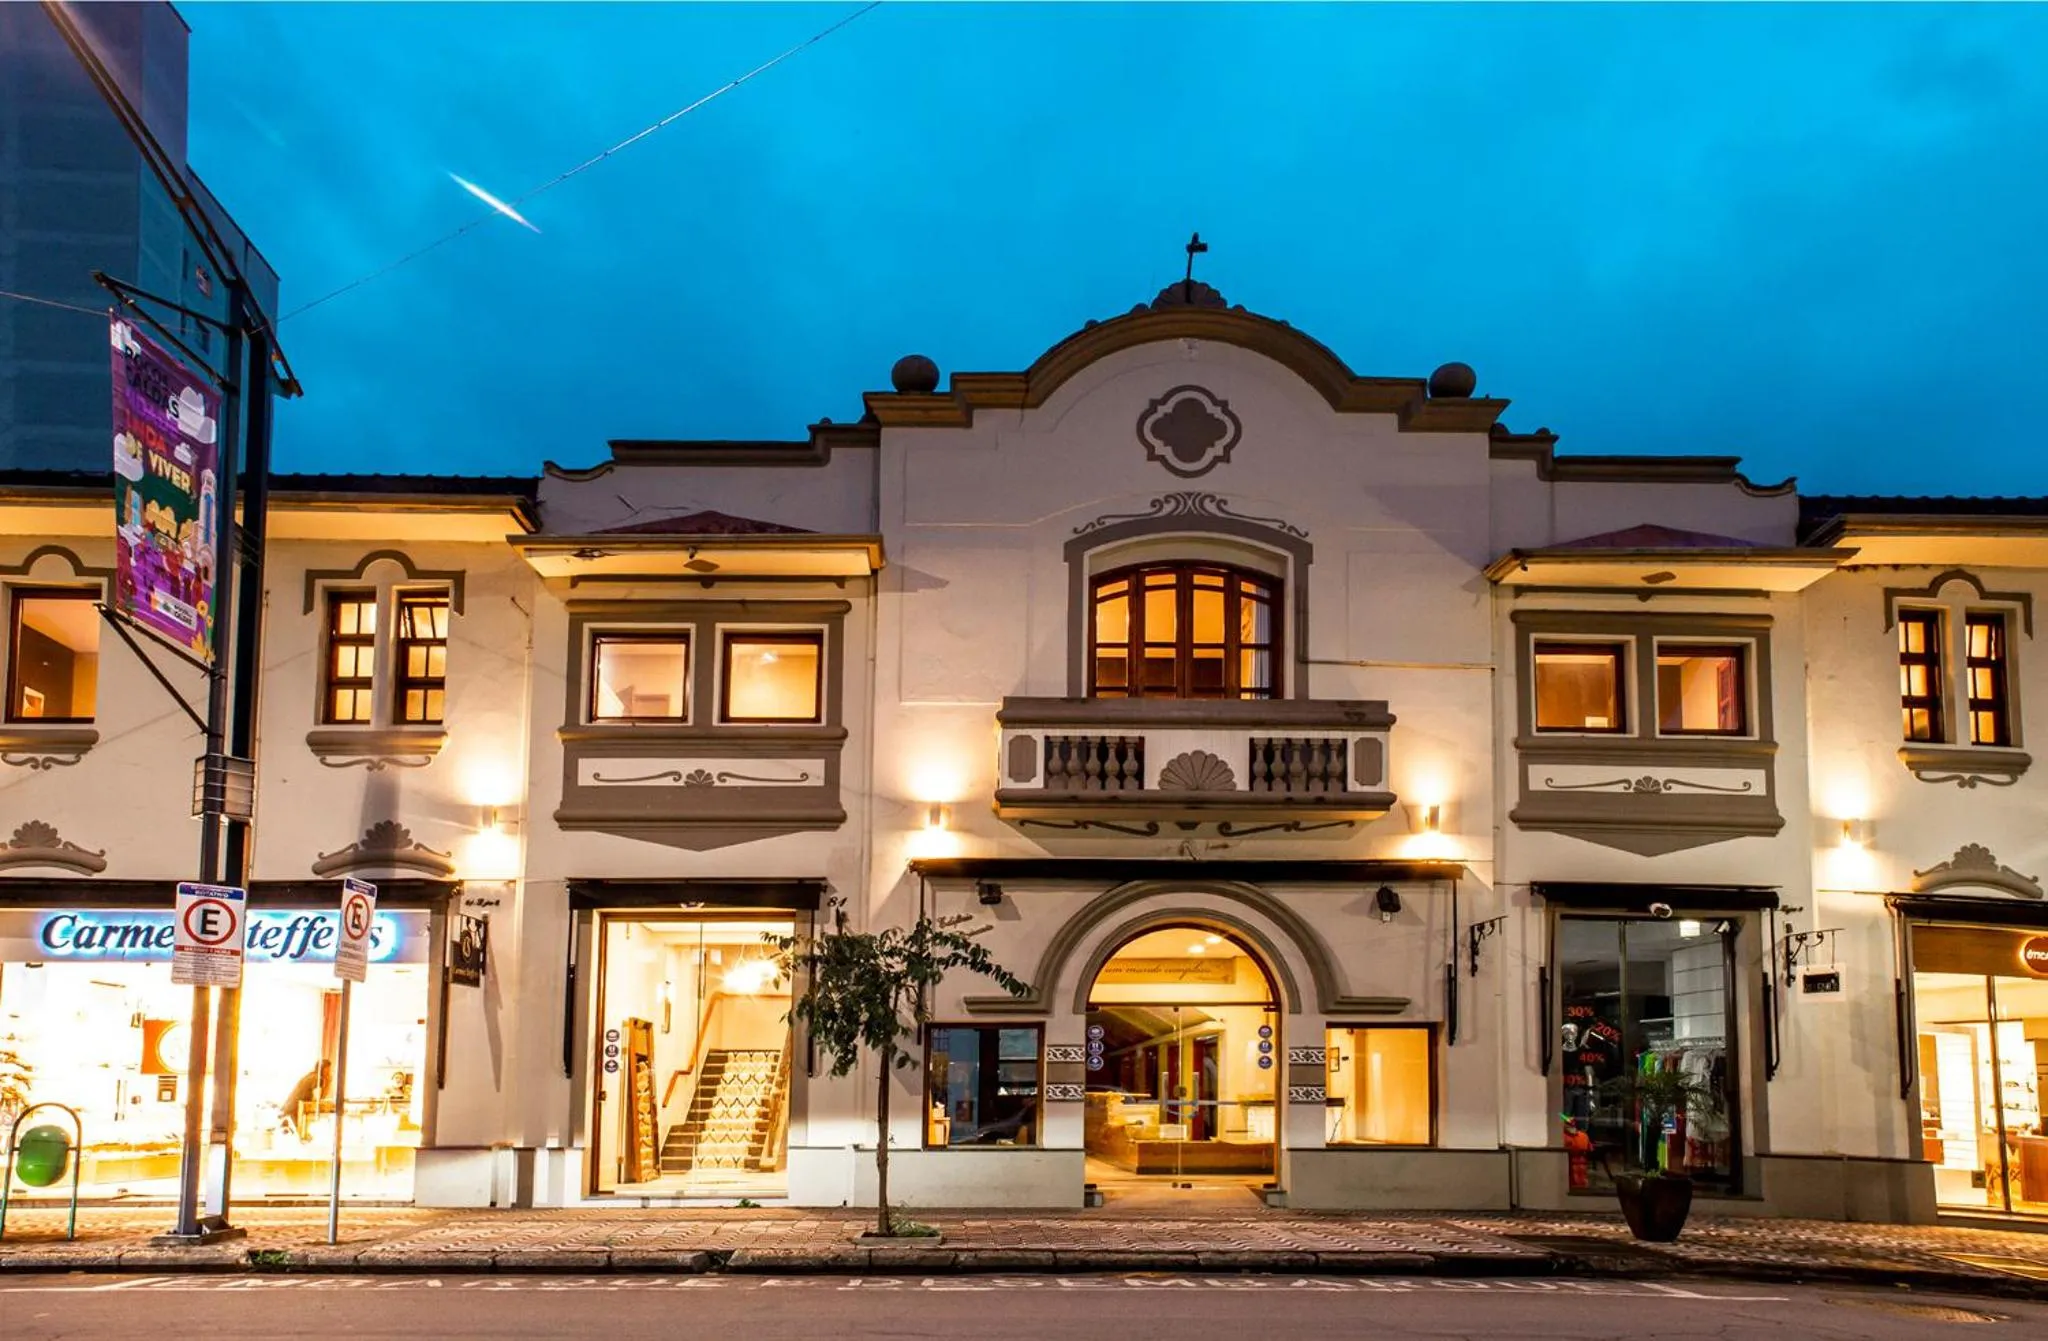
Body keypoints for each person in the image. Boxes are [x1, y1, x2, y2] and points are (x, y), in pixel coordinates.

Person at [281, 1059, 331, 1137]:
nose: (329, 1072)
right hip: (295, 1110)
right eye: (327, 1070)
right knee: (301, 1137)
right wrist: (328, 1083)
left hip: (290, 1108)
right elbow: (316, 1099)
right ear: (322, 1069)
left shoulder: (311, 1075)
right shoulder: (318, 1079)